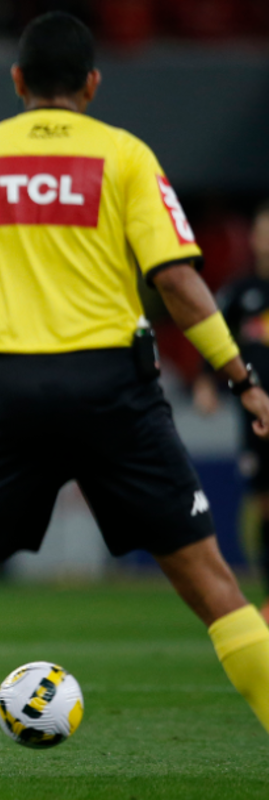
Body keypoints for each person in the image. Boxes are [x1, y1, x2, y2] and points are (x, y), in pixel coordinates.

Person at [0, 13, 269, 800]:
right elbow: (179, 282)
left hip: (12, 392)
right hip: (116, 389)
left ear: (16, 82)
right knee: (216, 587)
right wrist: (242, 378)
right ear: (93, 84)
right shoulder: (125, 156)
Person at [193, 201, 269, 620]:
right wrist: (207, 383)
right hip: (256, 416)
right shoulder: (241, 293)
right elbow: (215, 337)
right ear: (253, 239)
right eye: (263, 232)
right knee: (263, 506)